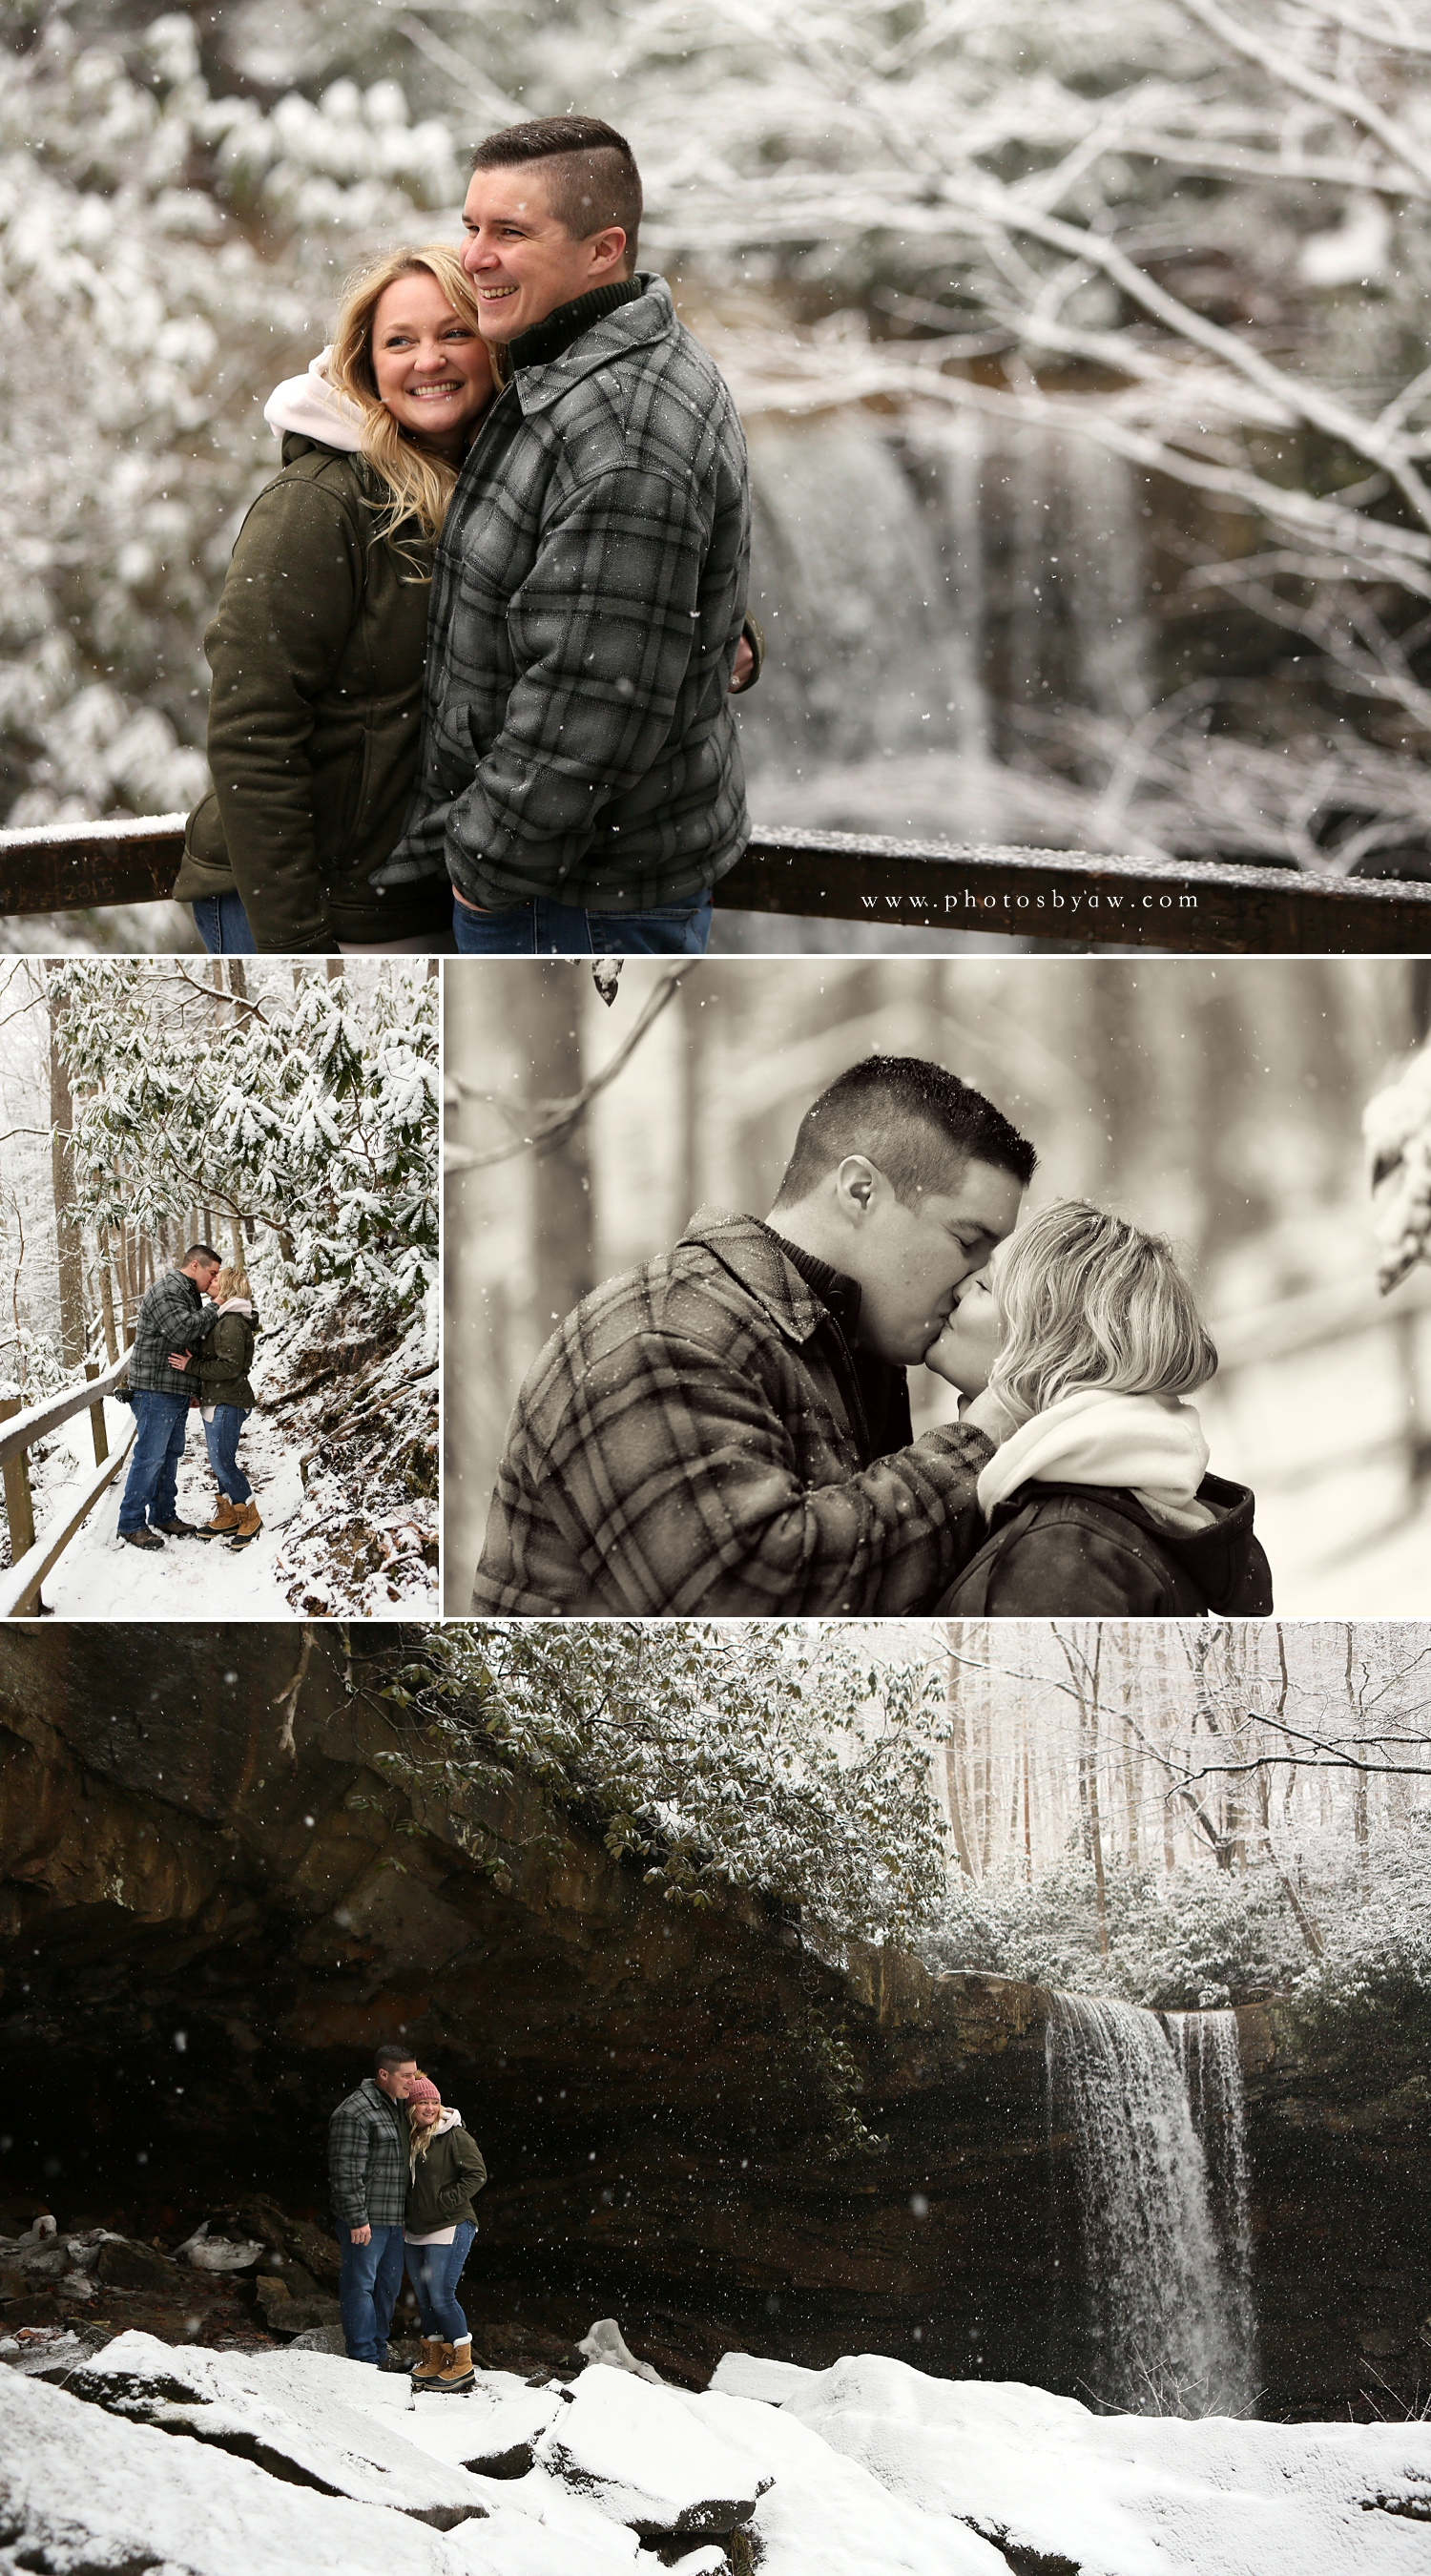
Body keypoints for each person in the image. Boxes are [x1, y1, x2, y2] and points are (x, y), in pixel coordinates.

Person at [375, 114, 757, 956]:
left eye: (510, 232)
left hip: (570, 900)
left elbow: (591, 708)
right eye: (470, 226)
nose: (473, 257)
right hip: (579, 882)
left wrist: (484, 869)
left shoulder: (622, 429)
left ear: (602, 250)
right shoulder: (573, 360)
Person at [471, 1056, 1035, 1615]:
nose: (972, 1285)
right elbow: (750, 1603)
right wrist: (984, 1437)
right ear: (861, 1191)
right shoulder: (662, 1335)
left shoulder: (843, 1343)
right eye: (967, 1243)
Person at [173, 244, 496, 954]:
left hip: (416, 896)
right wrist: (301, 952)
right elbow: (251, 729)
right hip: (304, 902)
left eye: (454, 332)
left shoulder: (501, 485)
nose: (428, 359)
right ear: (367, 366)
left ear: (493, 346)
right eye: (400, 341)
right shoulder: (320, 502)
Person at [928, 1201, 1274, 1616]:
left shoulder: (1065, 1551)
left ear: (1050, 1347)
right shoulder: (1101, 1517)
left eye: (984, 1286)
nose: (959, 1288)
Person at [115, 1243, 221, 1553]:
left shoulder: (187, 1292)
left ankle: (163, 1515)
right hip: (154, 1391)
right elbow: (182, 1332)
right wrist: (218, 1305)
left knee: (170, 1454)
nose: (213, 1280)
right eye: (212, 1273)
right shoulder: (167, 1289)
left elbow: (186, 1346)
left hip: (172, 1390)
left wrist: (190, 1388)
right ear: (195, 1266)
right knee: (150, 1457)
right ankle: (131, 1523)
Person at [328, 2044, 417, 2368]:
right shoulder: (354, 2112)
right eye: (406, 2075)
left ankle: (378, 2355)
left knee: (388, 2289)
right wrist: (356, 2219)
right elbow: (345, 2172)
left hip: (394, 2220)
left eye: (414, 2074)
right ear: (383, 2074)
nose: (412, 2082)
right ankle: (363, 2360)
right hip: (365, 2221)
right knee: (360, 2287)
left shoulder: (395, 2107)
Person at [402, 2075, 487, 2394]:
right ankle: (435, 2359)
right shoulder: (410, 2138)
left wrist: (442, 2202)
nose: (430, 2108)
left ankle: (462, 2366)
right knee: (424, 2298)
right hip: (416, 2229)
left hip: (451, 2223)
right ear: (412, 2107)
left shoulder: (454, 2135)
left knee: (441, 2295)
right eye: (423, 2102)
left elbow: (477, 2175)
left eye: (434, 2102)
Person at [192, 1262, 262, 1549]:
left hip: (229, 1401)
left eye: (216, 1278)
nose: (211, 1279)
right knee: (220, 1462)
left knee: (223, 1463)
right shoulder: (223, 1317)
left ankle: (250, 1516)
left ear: (229, 1285)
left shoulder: (231, 1320)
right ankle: (230, 1513)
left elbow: (230, 1367)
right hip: (217, 1399)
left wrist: (191, 1365)